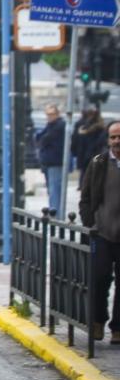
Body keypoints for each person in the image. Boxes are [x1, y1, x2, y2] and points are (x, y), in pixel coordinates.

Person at [79, 120, 120, 345]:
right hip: (102, 234)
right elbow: (85, 198)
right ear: (108, 140)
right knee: (99, 279)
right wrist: (90, 224)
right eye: (113, 137)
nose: (117, 141)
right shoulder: (98, 163)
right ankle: (97, 321)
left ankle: (118, 329)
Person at [36, 104, 66, 218]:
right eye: (47, 114)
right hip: (48, 162)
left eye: (52, 114)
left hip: (55, 161)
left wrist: (42, 140)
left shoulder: (59, 125)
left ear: (57, 114)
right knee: (51, 189)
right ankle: (55, 212)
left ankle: (56, 215)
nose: (49, 117)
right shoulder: (50, 125)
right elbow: (39, 137)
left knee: (54, 190)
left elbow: (44, 139)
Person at [71, 107, 106, 188]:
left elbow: (75, 139)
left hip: (86, 154)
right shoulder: (101, 127)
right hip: (95, 154)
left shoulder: (82, 125)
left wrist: (74, 151)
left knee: (85, 173)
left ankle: (83, 187)